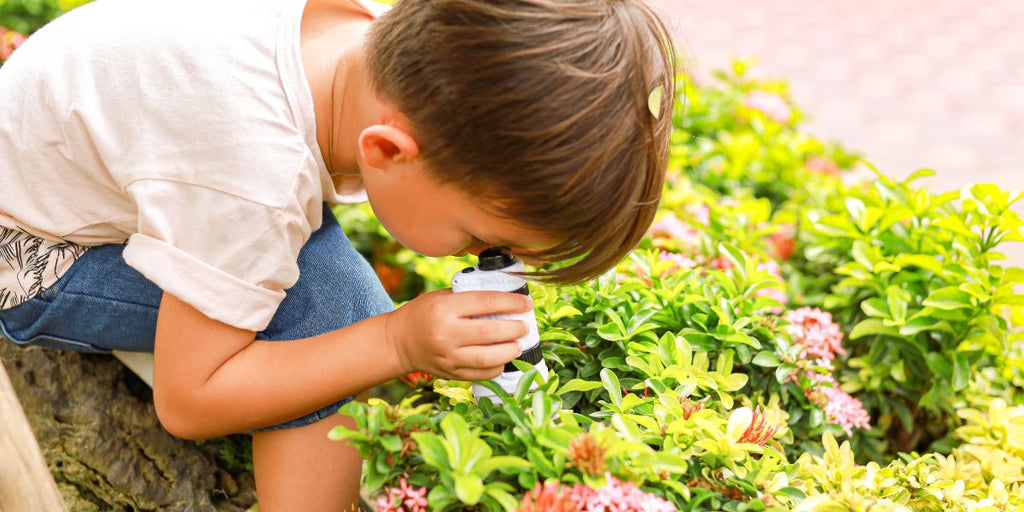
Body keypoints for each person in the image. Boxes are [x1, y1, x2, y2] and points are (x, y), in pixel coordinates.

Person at [0, 0, 676, 508]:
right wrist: (395, 341)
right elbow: (192, 399)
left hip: (64, 153)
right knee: (331, 313)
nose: (480, 257)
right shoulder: (253, 177)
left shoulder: (369, 43)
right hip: (34, 250)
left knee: (339, 308)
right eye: (478, 238)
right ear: (386, 151)